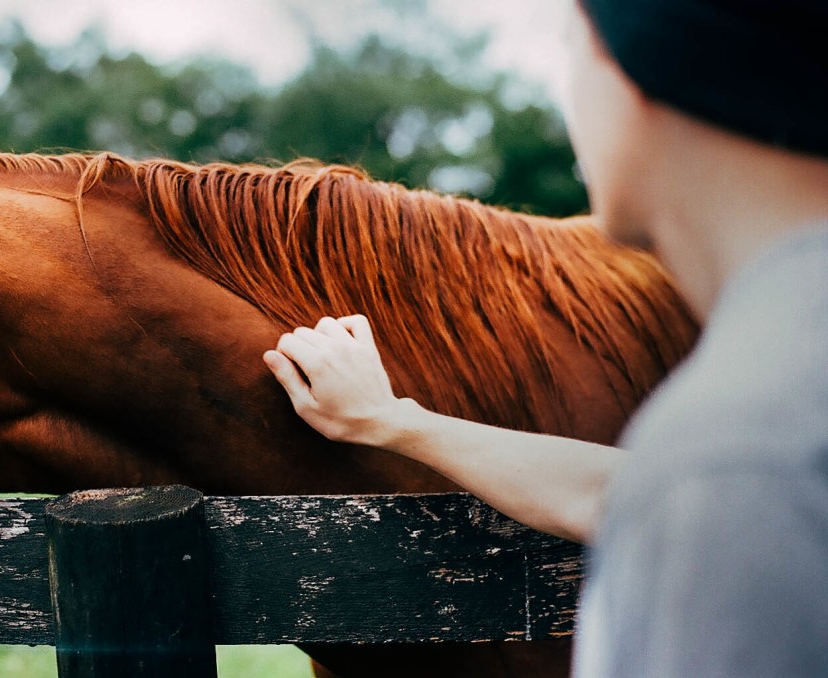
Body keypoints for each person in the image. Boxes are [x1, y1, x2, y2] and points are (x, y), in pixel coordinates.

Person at [263, 0, 828, 675]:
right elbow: (607, 491)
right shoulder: (770, 409)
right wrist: (395, 423)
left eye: (571, 46)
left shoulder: (738, 457)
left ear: (632, 74)